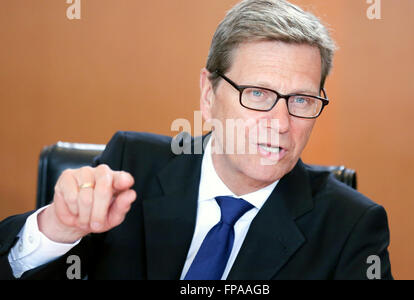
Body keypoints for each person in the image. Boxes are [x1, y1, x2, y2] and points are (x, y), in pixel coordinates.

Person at [0, 0, 393, 280]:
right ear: (208, 95)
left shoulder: (351, 226)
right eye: (257, 93)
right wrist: (56, 228)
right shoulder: (130, 165)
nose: (280, 122)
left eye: (302, 100)